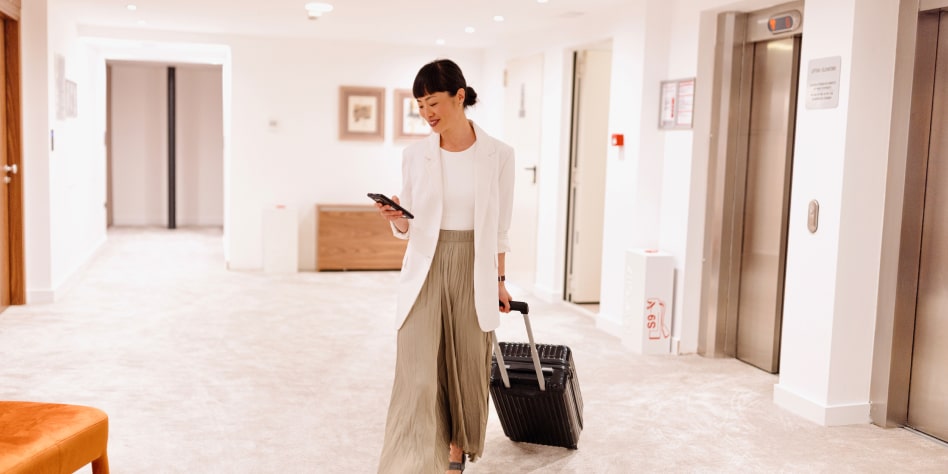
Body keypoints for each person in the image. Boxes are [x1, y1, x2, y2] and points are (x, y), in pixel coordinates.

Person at [375, 58, 515, 473]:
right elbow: (409, 220)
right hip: (426, 263)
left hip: (472, 264)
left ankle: (456, 450)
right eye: (420, 106)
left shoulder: (499, 155)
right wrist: (396, 217)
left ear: (460, 96)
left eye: (433, 103)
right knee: (417, 370)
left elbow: (501, 228)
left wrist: (500, 281)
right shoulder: (415, 155)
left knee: (467, 365)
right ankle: (415, 458)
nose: (427, 114)